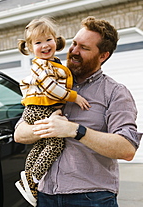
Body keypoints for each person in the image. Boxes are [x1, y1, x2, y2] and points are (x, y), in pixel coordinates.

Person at [14, 16, 143, 207]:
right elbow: (19, 133)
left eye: (84, 48)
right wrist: (50, 126)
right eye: (74, 43)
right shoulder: (51, 80)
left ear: (103, 56)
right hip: (45, 195)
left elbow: (127, 149)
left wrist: (75, 131)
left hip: (91, 198)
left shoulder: (115, 93)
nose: (74, 51)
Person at [15, 16, 90, 206]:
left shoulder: (53, 62)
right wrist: (74, 96)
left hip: (40, 107)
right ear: (31, 49)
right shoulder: (40, 65)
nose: (45, 45)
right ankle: (33, 179)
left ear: (55, 41)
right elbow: (50, 88)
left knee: (41, 145)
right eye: (38, 43)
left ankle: (28, 178)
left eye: (48, 40)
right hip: (38, 108)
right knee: (56, 144)